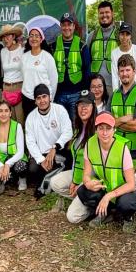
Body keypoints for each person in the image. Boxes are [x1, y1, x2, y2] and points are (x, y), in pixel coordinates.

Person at [78, 112, 136, 226]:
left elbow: (131, 184)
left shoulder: (122, 147)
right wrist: (88, 183)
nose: (105, 133)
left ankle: (127, 217)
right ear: (96, 130)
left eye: (108, 128)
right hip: (106, 187)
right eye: (101, 128)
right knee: (83, 191)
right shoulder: (90, 144)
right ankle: (104, 213)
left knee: (126, 203)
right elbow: (86, 174)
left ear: (114, 130)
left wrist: (109, 196)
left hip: (124, 190)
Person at [49, 90, 96, 221]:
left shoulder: (97, 130)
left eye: (87, 105)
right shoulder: (78, 129)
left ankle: (93, 206)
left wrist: (78, 183)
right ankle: (83, 200)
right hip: (77, 174)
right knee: (55, 182)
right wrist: (75, 181)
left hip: (91, 178)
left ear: (93, 107)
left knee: (72, 217)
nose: (83, 108)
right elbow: (76, 160)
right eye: (80, 105)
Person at [25, 84, 74, 194]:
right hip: (41, 154)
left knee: (69, 162)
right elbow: (30, 142)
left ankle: (51, 178)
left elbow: (68, 131)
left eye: (44, 96)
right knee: (32, 169)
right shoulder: (31, 118)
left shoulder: (60, 110)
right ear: (35, 101)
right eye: (38, 98)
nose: (42, 100)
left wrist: (55, 147)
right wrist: (41, 160)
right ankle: (49, 178)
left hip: (58, 151)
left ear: (50, 97)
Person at [110, 54, 136, 162]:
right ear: (118, 73)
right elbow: (107, 123)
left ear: (134, 71)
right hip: (116, 148)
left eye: (128, 70)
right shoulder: (113, 95)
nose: (124, 74)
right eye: (122, 71)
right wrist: (123, 119)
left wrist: (116, 123)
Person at [51, 12, 90, 121]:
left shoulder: (82, 46)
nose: (66, 28)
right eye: (64, 25)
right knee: (59, 125)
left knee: (76, 124)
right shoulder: (53, 46)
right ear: (60, 26)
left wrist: (84, 93)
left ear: (73, 26)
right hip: (58, 94)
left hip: (76, 94)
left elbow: (87, 70)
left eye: (69, 25)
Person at [0, 100, 27, 196]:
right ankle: (1, 178)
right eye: (0, 111)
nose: (3, 114)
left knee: (21, 166)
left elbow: (20, 152)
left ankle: (21, 178)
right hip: (1, 160)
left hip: (14, 160)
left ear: (10, 113)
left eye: (6, 111)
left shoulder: (17, 126)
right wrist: (0, 166)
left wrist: (8, 164)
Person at [21, 26, 58, 118]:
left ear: (41, 39)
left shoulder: (47, 57)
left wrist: (50, 98)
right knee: (29, 124)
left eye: (37, 36)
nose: (34, 38)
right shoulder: (24, 57)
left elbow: (54, 79)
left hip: (43, 99)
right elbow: (23, 76)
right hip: (27, 98)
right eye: (31, 35)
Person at [87, 0, 119, 91]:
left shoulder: (119, 35)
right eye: (101, 13)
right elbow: (86, 62)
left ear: (112, 13)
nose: (104, 15)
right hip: (95, 87)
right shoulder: (92, 36)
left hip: (114, 85)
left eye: (107, 12)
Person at [0, 24, 26, 124]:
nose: (5, 39)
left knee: (20, 120)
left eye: (8, 36)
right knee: (8, 122)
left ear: (13, 36)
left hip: (19, 87)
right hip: (6, 88)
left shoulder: (22, 50)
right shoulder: (2, 52)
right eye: (3, 37)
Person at [110, 22, 136, 91]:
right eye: (122, 34)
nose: (124, 37)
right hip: (122, 90)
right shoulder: (114, 53)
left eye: (127, 34)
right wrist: (116, 94)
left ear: (130, 36)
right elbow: (115, 77)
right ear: (119, 35)